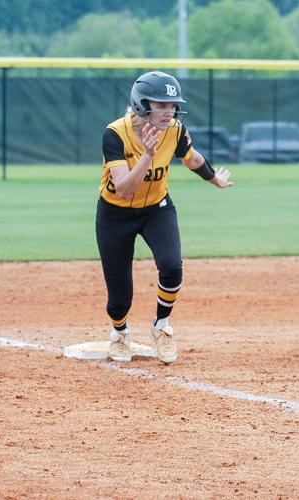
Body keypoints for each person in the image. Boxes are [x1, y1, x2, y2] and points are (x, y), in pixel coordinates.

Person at [96, 71, 234, 364]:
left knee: (172, 266)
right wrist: (147, 154)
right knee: (120, 297)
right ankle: (119, 334)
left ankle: (161, 327)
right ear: (141, 104)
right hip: (115, 214)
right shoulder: (115, 134)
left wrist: (214, 179)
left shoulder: (174, 130)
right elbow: (123, 189)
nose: (169, 111)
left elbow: (192, 158)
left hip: (157, 208)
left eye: (172, 105)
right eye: (161, 104)